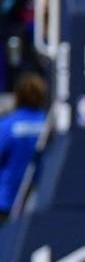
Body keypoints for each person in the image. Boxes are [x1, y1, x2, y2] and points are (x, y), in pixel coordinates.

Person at [0, 73, 46, 221]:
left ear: (18, 96)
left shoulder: (7, 126)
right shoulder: (49, 126)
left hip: (5, 202)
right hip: (39, 203)